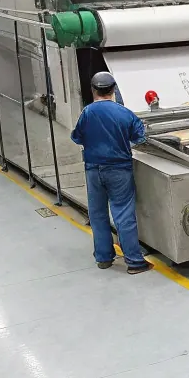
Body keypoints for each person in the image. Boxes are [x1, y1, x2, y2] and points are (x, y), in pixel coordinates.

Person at [70, 71, 153, 275]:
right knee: (123, 213)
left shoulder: (87, 113)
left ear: (93, 90)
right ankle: (134, 262)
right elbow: (140, 138)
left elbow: (77, 137)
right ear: (114, 89)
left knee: (97, 213)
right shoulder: (125, 113)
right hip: (119, 170)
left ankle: (104, 257)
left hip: (93, 169)